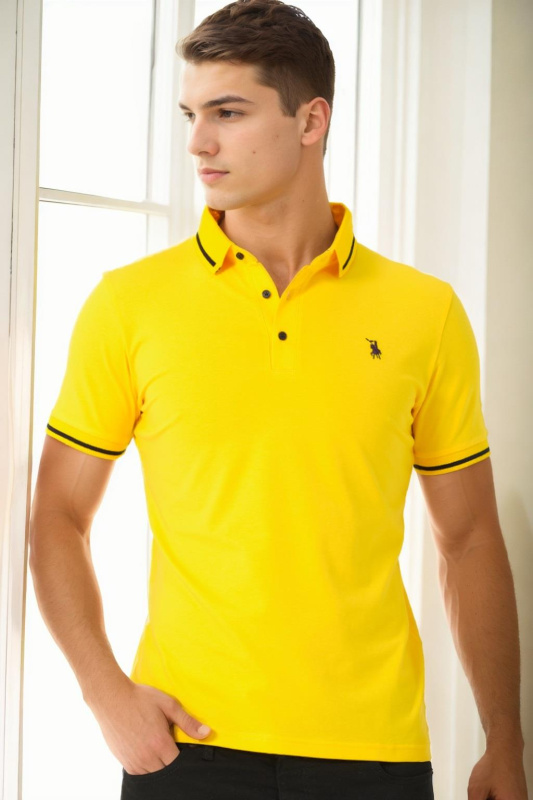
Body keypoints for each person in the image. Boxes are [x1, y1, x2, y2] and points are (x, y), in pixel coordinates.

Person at [29, 1, 527, 799]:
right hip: (186, 746)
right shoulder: (130, 305)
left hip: (373, 753)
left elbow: (467, 539)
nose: (198, 141)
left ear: (310, 120)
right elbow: (57, 514)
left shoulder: (423, 312)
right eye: (191, 114)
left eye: (227, 112)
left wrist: (504, 738)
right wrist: (103, 692)